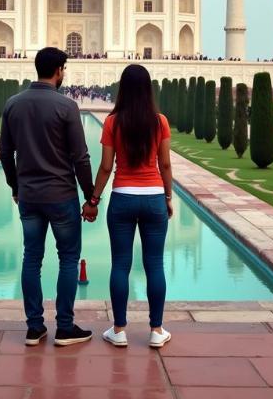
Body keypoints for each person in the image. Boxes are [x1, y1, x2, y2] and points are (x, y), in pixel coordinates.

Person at [0, 47, 95, 348]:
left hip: (29, 196)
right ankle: (64, 327)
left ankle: (34, 327)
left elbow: (5, 153)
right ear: (59, 70)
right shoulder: (66, 107)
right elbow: (80, 157)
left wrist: (15, 186)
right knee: (68, 259)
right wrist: (90, 196)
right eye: (63, 69)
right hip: (61, 196)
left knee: (32, 258)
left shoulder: (13, 104)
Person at [92, 64, 173, 349]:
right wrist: (168, 197)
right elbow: (164, 164)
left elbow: (105, 166)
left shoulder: (113, 122)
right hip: (153, 197)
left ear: (122, 89)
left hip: (123, 196)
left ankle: (119, 330)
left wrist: (93, 200)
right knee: (154, 265)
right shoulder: (159, 121)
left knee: (121, 264)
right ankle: (156, 330)